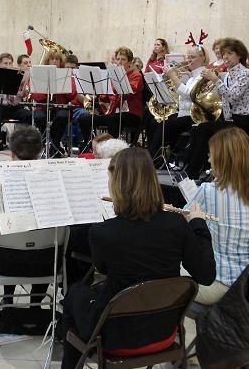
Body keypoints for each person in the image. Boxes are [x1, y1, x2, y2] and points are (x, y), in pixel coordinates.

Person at [61, 147, 216, 368]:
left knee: (75, 293)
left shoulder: (102, 233)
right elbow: (207, 275)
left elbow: (103, 269)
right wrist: (198, 225)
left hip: (116, 336)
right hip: (163, 331)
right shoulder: (177, 225)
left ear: (118, 184)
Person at [184, 127, 249, 305]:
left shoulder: (208, 191)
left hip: (219, 284)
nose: (208, 159)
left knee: (164, 267)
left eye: (211, 155)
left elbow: (182, 223)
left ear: (223, 159)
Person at [0, 126, 52, 304]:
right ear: (40, 151)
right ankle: (36, 303)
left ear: (12, 152)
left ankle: (7, 298)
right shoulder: (51, 176)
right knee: (45, 238)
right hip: (48, 262)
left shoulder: (0, 176)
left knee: (6, 235)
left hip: (6, 262)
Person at [184, 38, 249, 179]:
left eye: (230, 53)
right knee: (198, 128)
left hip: (243, 120)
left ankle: (192, 174)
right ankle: (193, 170)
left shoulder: (245, 73)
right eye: (224, 53)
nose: (225, 57)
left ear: (240, 55)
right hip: (230, 118)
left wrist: (215, 80)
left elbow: (232, 96)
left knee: (203, 129)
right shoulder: (229, 73)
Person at [148, 45, 208, 161]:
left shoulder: (202, 75)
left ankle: (151, 158)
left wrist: (173, 76)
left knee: (166, 125)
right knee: (155, 122)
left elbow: (189, 95)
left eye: (193, 57)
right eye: (188, 57)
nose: (189, 60)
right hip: (184, 114)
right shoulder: (192, 77)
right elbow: (181, 97)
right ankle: (165, 157)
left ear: (203, 58)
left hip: (195, 116)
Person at [78, 47, 144, 143]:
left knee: (113, 119)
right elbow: (107, 97)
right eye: (118, 59)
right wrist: (98, 94)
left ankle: (110, 147)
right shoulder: (112, 76)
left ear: (129, 62)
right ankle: (87, 145)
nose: (120, 62)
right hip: (112, 113)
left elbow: (130, 90)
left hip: (132, 114)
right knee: (84, 118)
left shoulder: (135, 75)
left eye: (123, 59)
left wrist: (114, 85)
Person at [0, 53, 32, 125]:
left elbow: (24, 95)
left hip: (15, 108)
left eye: (10, 63)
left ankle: (24, 135)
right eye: (5, 63)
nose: (8, 66)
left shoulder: (18, 75)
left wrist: (24, 90)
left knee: (30, 116)